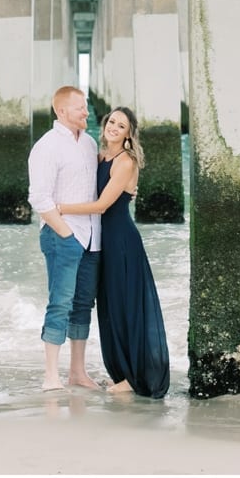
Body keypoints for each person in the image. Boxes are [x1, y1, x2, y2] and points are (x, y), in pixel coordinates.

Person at [56, 106, 170, 398]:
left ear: (129, 134)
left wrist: (61, 208)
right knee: (109, 308)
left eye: (122, 126)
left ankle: (136, 378)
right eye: (112, 122)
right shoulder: (100, 156)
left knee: (126, 307)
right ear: (105, 124)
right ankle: (121, 373)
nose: (114, 128)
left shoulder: (125, 162)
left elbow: (101, 205)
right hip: (102, 241)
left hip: (121, 242)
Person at [27, 85, 102, 391]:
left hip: (93, 238)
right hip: (63, 236)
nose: (86, 112)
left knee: (83, 304)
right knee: (60, 303)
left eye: (85, 106)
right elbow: (39, 198)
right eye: (79, 107)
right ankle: (50, 376)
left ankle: (77, 373)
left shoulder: (89, 143)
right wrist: (67, 233)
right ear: (61, 111)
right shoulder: (47, 146)